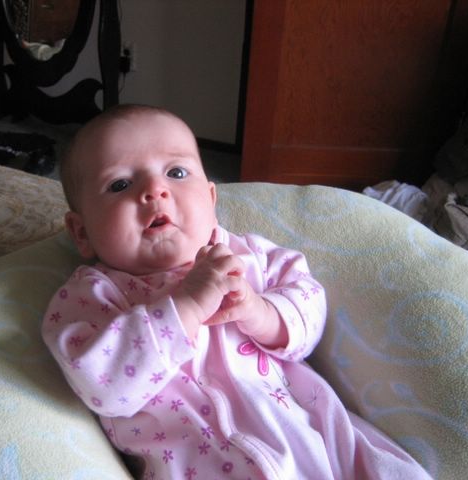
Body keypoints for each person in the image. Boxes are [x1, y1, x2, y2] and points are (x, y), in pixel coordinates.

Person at [42, 104, 432, 479]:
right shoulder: (90, 297)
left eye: (176, 172)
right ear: (81, 232)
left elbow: (308, 304)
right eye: (120, 184)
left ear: (211, 199)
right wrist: (185, 307)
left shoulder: (249, 256)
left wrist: (260, 312)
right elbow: (103, 386)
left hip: (317, 442)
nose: (155, 190)